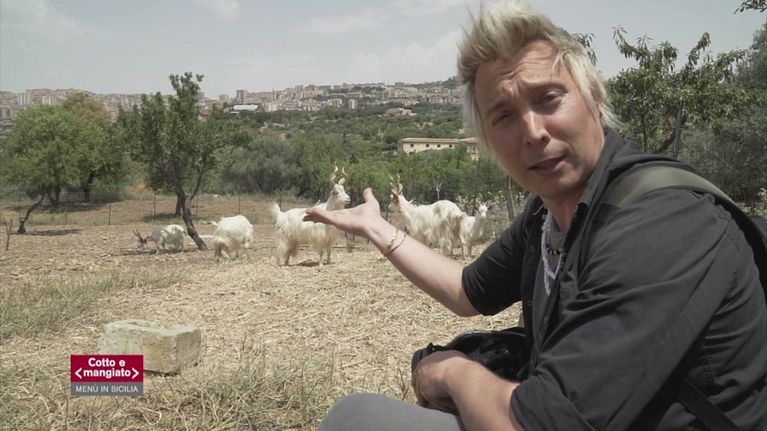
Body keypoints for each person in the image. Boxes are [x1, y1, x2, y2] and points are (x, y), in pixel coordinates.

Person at [305, 1, 767, 429]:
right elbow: (468, 290)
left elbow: (536, 425)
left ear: (595, 99)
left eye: (548, 98)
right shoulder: (546, 216)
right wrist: (377, 227)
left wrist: (452, 372)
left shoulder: (664, 224)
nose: (532, 132)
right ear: (487, 140)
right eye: (504, 116)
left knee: (356, 419)